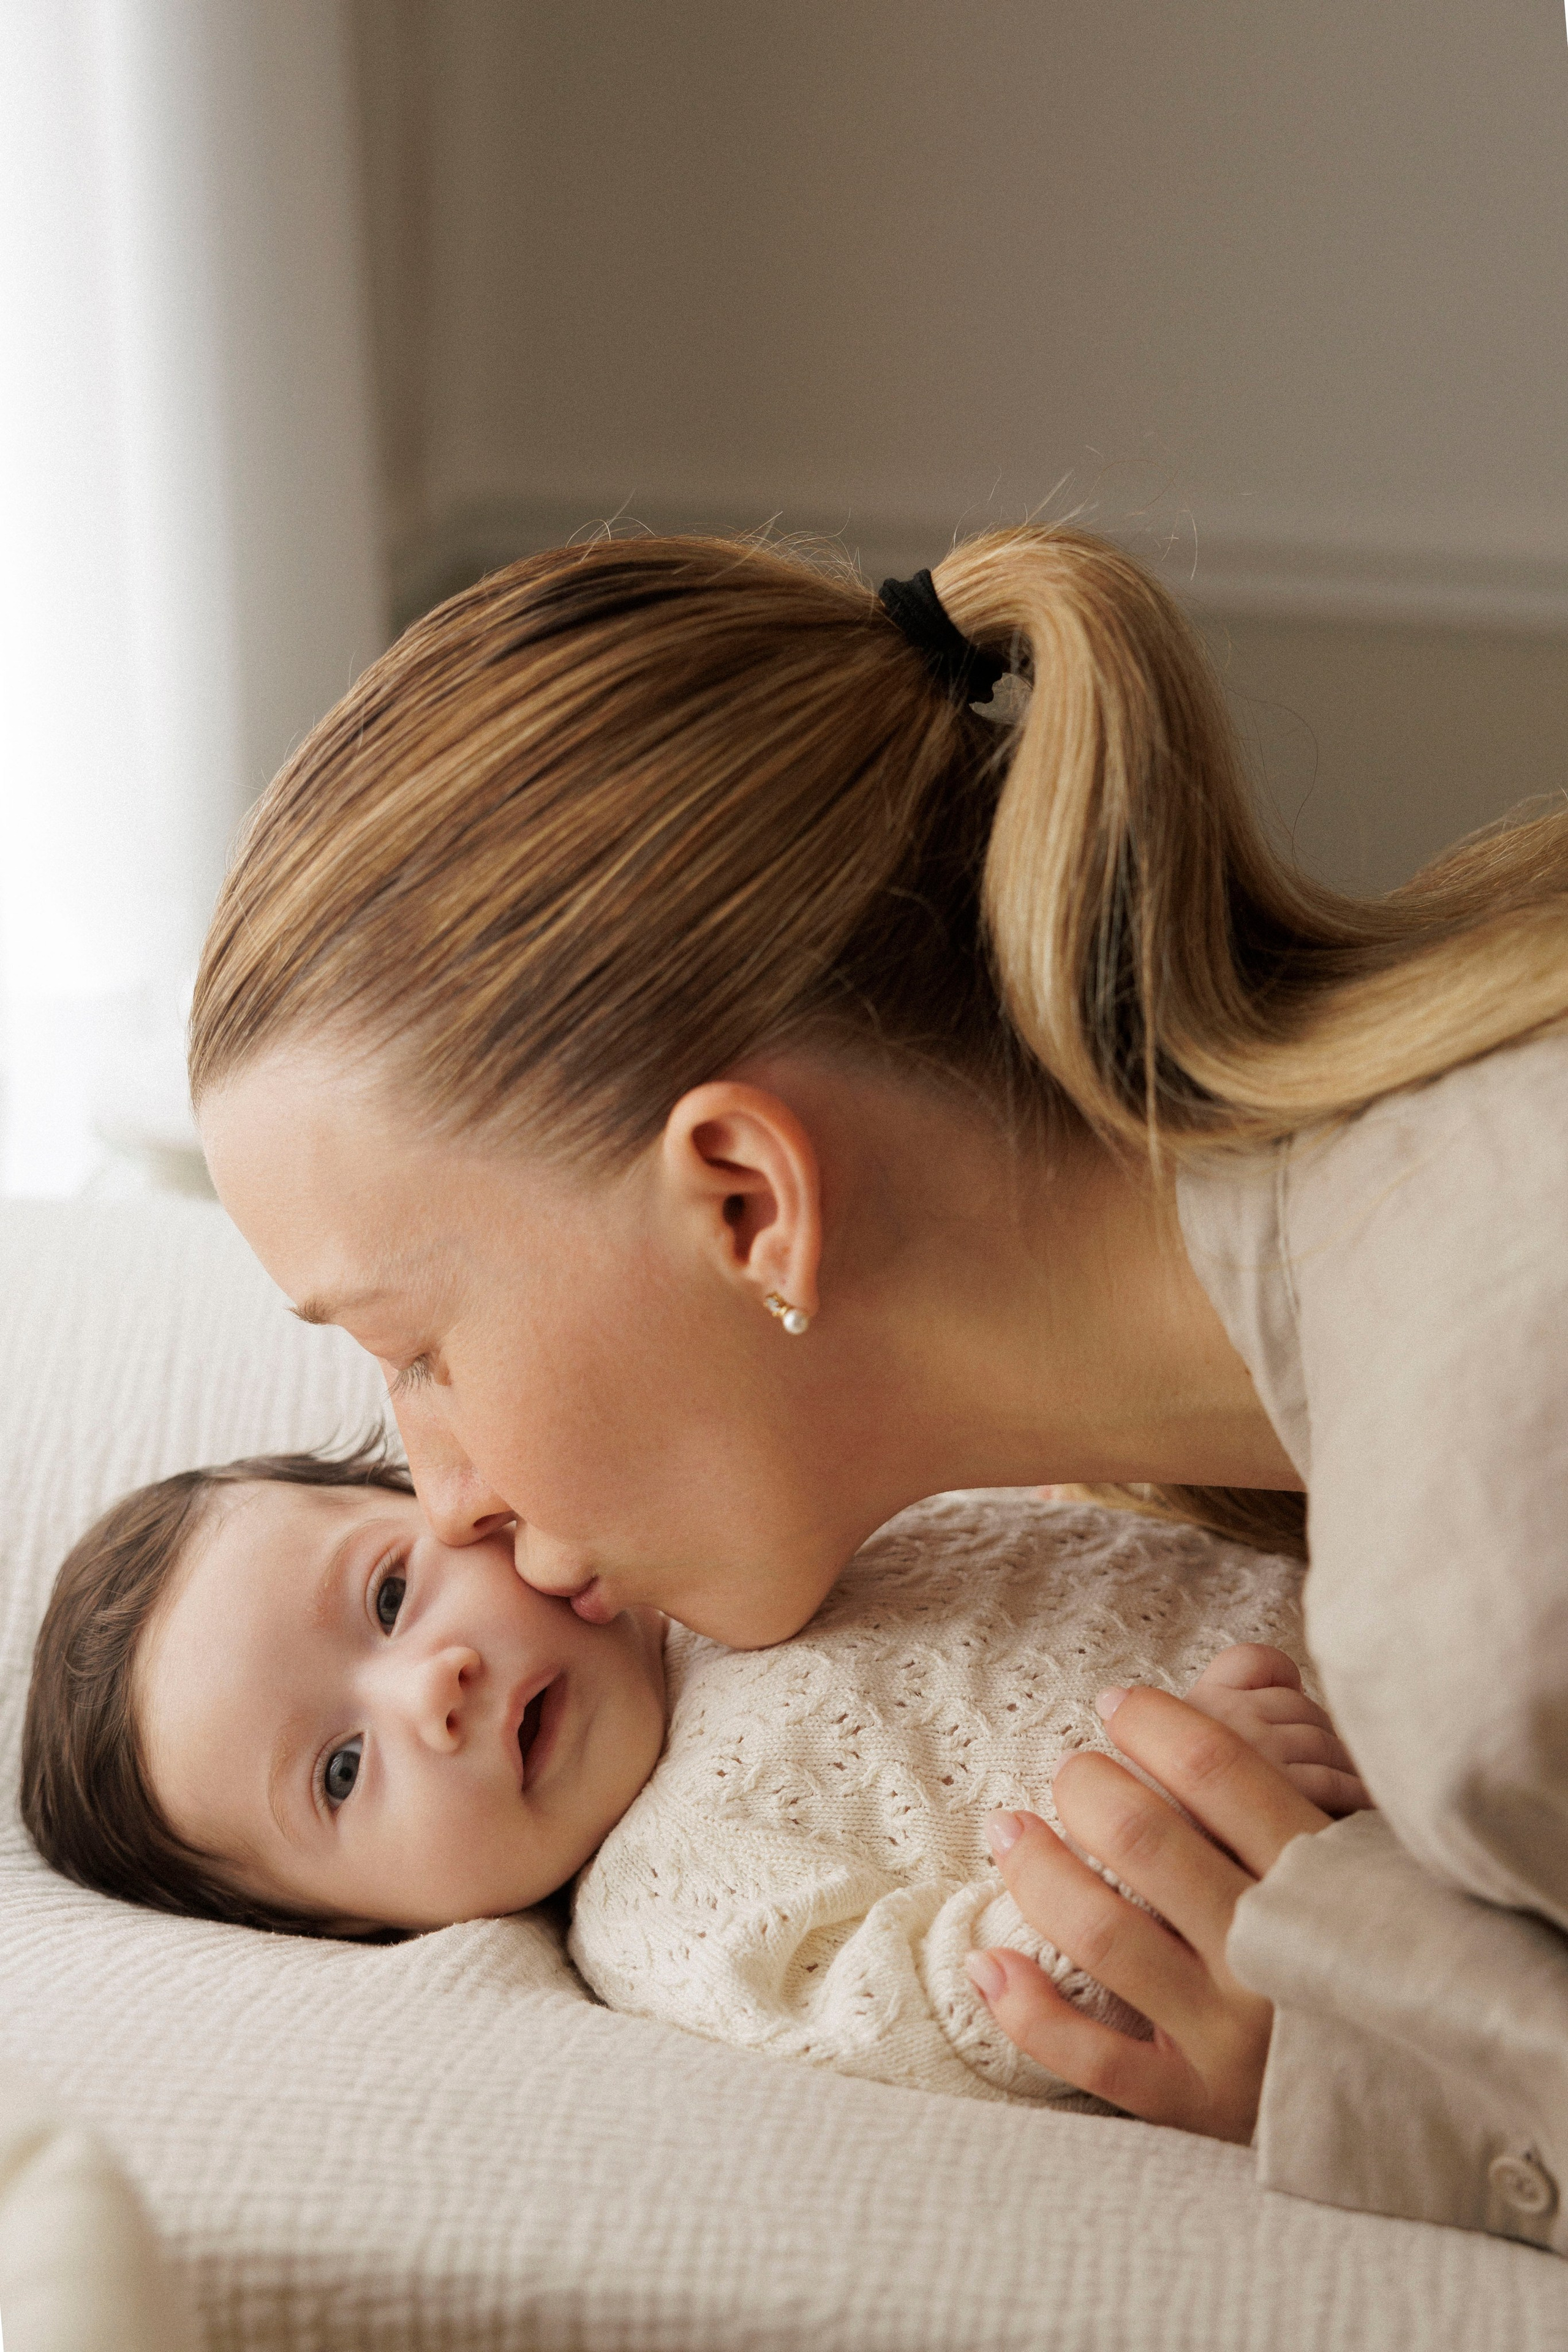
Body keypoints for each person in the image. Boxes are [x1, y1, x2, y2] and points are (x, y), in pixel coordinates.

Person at [186, 527, 1568, 2248]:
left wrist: (1413, 2065)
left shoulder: (1487, 1580)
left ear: (745, 1204)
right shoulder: (1295, 1425)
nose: (450, 1501)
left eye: (415, 1350)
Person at [21, 1442, 1365, 2115]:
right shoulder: (663, 1904)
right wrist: (1173, 1831)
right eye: (339, 1769)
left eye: (387, 1595)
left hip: (1361, 1578)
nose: (429, 1688)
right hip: (1313, 1832)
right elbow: (933, 2007)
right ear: (364, 1928)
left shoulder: (725, 1518)